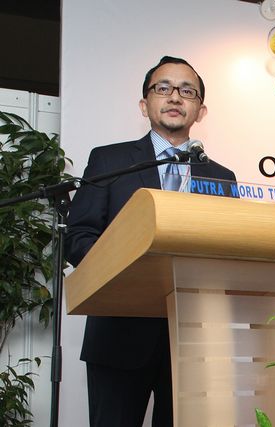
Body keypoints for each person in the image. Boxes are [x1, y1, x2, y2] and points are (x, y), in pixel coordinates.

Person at [64, 56, 236, 427]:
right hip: (118, 334)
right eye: (163, 88)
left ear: (200, 111)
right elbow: (78, 235)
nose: (175, 97)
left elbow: (227, 250)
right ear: (145, 105)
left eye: (187, 91)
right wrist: (123, 273)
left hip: (192, 342)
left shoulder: (222, 177)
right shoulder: (110, 160)